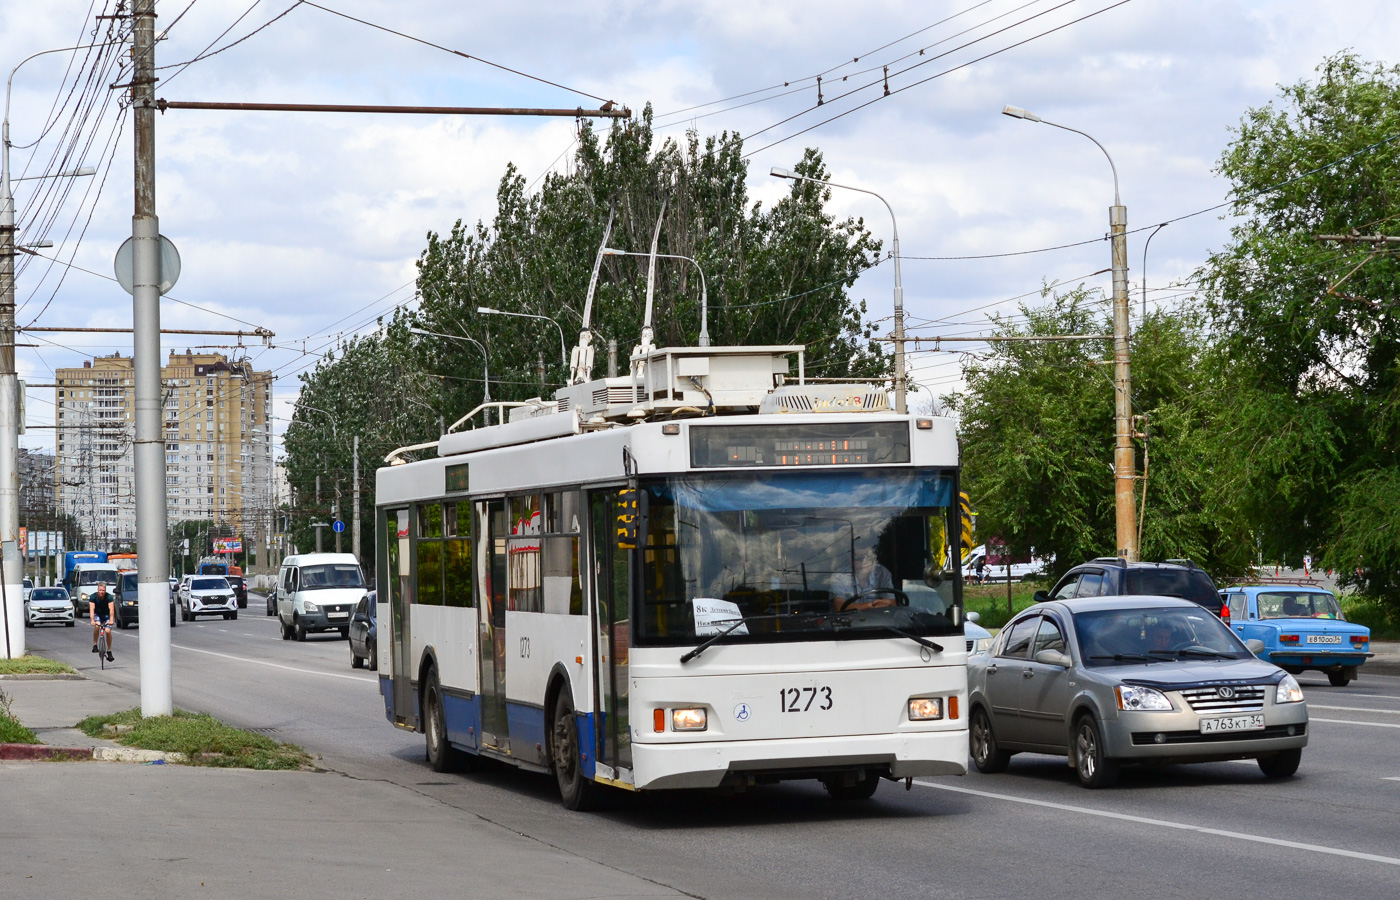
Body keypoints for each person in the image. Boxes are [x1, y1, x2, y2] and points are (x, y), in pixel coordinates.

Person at [833, 545, 896, 611]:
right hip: (850, 617)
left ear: (874, 558)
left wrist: (887, 602)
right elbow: (839, 606)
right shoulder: (840, 576)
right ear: (851, 560)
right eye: (859, 559)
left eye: (869, 557)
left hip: (878, 616)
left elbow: (893, 604)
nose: (864, 562)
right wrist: (869, 605)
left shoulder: (882, 573)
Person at [90, 581, 114, 662]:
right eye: (100, 590)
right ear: (98, 590)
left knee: (107, 631)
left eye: (103, 590)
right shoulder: (93, 597)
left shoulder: (109, 597)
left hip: (106, 615)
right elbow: (92, 609)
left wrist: (111, 620)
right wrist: (92, 620)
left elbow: (111, 609)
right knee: (97, 626)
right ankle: (95, 645)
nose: (102, 592)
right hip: (98, 614)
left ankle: (109, 651)